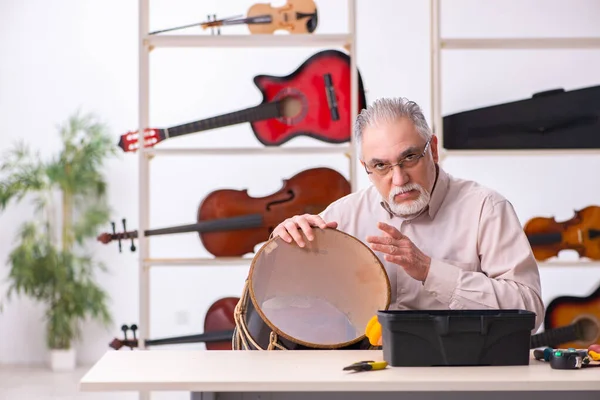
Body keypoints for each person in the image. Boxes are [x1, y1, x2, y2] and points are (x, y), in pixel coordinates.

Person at [271, 97, 545, 332]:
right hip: (363, 379)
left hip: (458, 377)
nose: (399, 179)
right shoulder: (343, 216)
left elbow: (529, 312)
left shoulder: (487, 209)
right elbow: (283, 303)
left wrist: (430, 271)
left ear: (433, 150)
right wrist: (285, 247)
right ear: (366, 167)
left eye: (410, 157)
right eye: (381, 166)